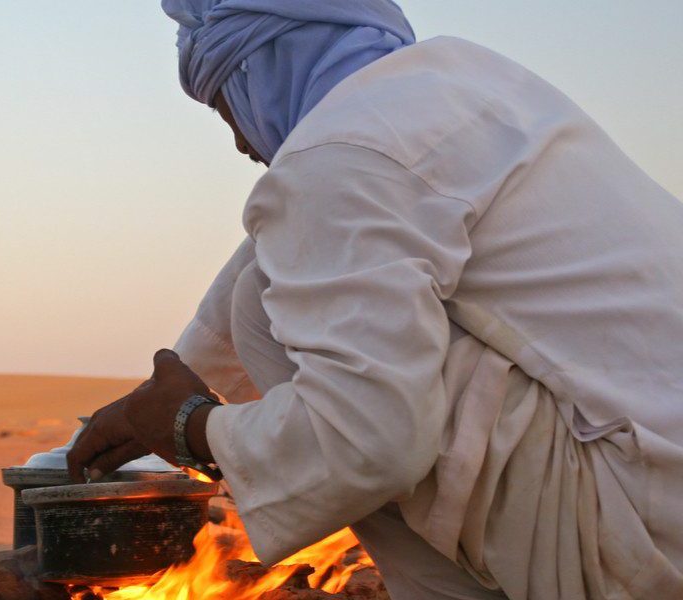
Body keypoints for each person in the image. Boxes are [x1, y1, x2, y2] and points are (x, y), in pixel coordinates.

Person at [66, 1, 683, 598]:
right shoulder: (462, 79)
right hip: (660, 474)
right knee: (273, 283)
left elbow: (370, 440)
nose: (240, 143)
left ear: (261, 67)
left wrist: (189, 428)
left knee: (276, 314)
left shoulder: (338, 160)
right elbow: (284, 255)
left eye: (227, 106)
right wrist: (150, 406)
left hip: (648, 535)